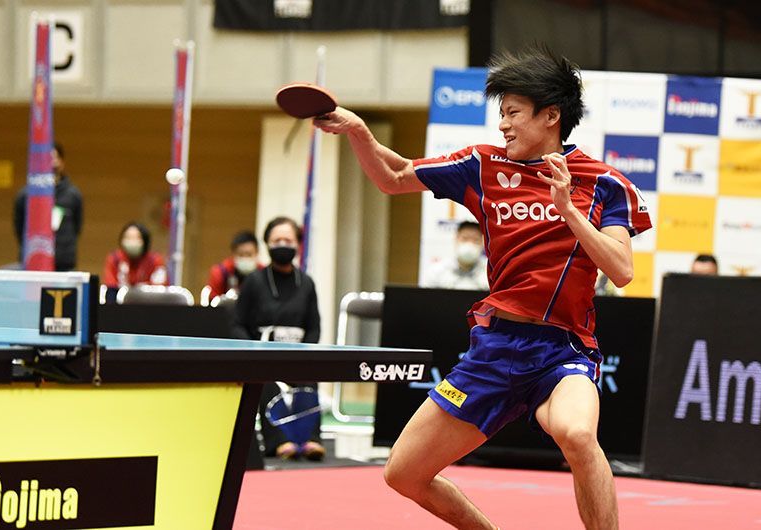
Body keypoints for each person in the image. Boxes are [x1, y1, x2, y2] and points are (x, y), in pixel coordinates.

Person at [314, 44, 651, 530]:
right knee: (403, 473)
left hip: (562, 351)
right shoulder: (482, 165)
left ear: (550, 115)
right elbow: (394, 176)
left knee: (578, 435)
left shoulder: (603, 184)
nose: (503, 125)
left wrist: (569, 211)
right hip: (495, 349)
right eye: (502, 114)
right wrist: (358, 131)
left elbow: (621, 269)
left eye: (513, 112)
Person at [231, 216, 325, 461]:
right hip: (262, 357)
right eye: (277, 240)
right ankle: (281, 441)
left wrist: (304, 352)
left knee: (309, 378)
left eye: (288, 240)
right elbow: (237, 324)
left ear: (297, 244)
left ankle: (311, 439)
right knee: (266, 382)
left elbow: (314, 327)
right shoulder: (254, 282)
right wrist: (255, 350)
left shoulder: (306, 283)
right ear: (267, 244)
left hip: (297, 356)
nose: (282, 244)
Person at [13, 142, 83, 271]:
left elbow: (77, 227)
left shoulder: (73, 194)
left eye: (54, 158)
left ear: (62, 162)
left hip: (63, 262)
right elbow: (19, 227)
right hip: (33, 260)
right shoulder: (25, 195)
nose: (50, 163)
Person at [425, 220, 489, 290]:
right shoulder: (437, 271)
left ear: (483, 243)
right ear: (456, 239)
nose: (469, 244)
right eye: (465, 238)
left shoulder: (491, 273)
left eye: (476, 240)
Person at [102, 222, 167, 289]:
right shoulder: (115, 259)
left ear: (145, 240)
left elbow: (159, 287)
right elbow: (110, 286)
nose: (131, 242)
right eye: (128, 237)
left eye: (136, 238)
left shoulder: (155, 260)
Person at [206, 230, 264, 301]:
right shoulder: (220, 272)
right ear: (233, 254)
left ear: (257, 253)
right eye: (241, 254)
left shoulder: (264, 273)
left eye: (249, 254)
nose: (245, 258)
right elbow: (213, 300)